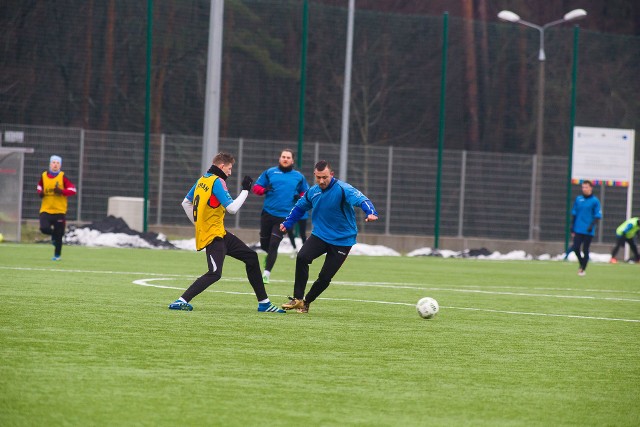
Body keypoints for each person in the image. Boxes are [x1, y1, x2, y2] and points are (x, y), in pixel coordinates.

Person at [168, 152, 284, 313]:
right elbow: (232, 209)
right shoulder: (217, 181)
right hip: (214, 236)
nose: (230, 172)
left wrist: (198, 224)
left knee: (251, 257)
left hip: (220, 233)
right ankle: (180, 301)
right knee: (215, 273)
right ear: (221, 167)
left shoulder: (203, 180)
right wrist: (245, 190)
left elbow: (185, 202)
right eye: (229, 169)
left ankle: (264, 303)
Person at [279, 160, 378, 313]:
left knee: (325, 277)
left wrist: (370, 212)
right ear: (314, 175)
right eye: (318, 177)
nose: (321, 181)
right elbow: (299, 207)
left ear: (331, 174)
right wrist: (288, 223)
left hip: (343, 240)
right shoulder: (313, 192)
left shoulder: (343, 189)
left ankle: (307, 302)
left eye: (325, 177)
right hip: (320, 235)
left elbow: (362, 199)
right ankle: (297, 299)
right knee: (302, 257)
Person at [252, 149, 309, 284]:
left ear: (292, 160)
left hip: (285, 217)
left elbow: (306, 193)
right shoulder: (270, 172)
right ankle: (268, 257)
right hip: (268, 214)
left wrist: (299, 197)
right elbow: (256, 188)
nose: (285, 159)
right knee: (265, 243)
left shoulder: (298, 176)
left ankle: (266, 274)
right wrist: (264, 190)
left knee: (274, 244)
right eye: (283, 157)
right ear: (279, 159)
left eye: (288, 157)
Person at [37, 155, 77, 261]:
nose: (55, 164)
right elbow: (39, 186)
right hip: (46, 209)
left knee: (60, 235)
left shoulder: (63, 177)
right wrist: (40, 193)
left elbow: (73, 190)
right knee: (44, 228)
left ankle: (57, 255)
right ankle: (54, 236)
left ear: (60, 165)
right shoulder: (44, 176)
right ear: (50, 164)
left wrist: (62, 191)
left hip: (59, 211)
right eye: (53, 162)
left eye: (57, 163)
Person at [570, 180, 602, 276]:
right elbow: (574, 213)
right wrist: (572, 227)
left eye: (586, 187)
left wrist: (591, 226)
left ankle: (582, 268)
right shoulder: (578, 199)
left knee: (585, 249)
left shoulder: (595, 201)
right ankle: (582, 263)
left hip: (588, 230)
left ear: (591, 188)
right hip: (578, 228)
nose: (584, 189)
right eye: (583, 187)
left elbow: (597, 216)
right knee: (575, 248)